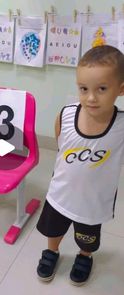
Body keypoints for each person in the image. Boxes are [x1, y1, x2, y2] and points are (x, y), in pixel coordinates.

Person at [36, 45, 124, 286]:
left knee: (87, 238)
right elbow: (61, 144)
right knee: (53, 230)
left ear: (121, 89)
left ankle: (84, 256)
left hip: (93, 201)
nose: (91, 97)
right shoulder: (66, 115)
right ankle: (51, 252)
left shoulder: (120, 126)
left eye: (102, 89)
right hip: (61, 194)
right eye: (83, 89)